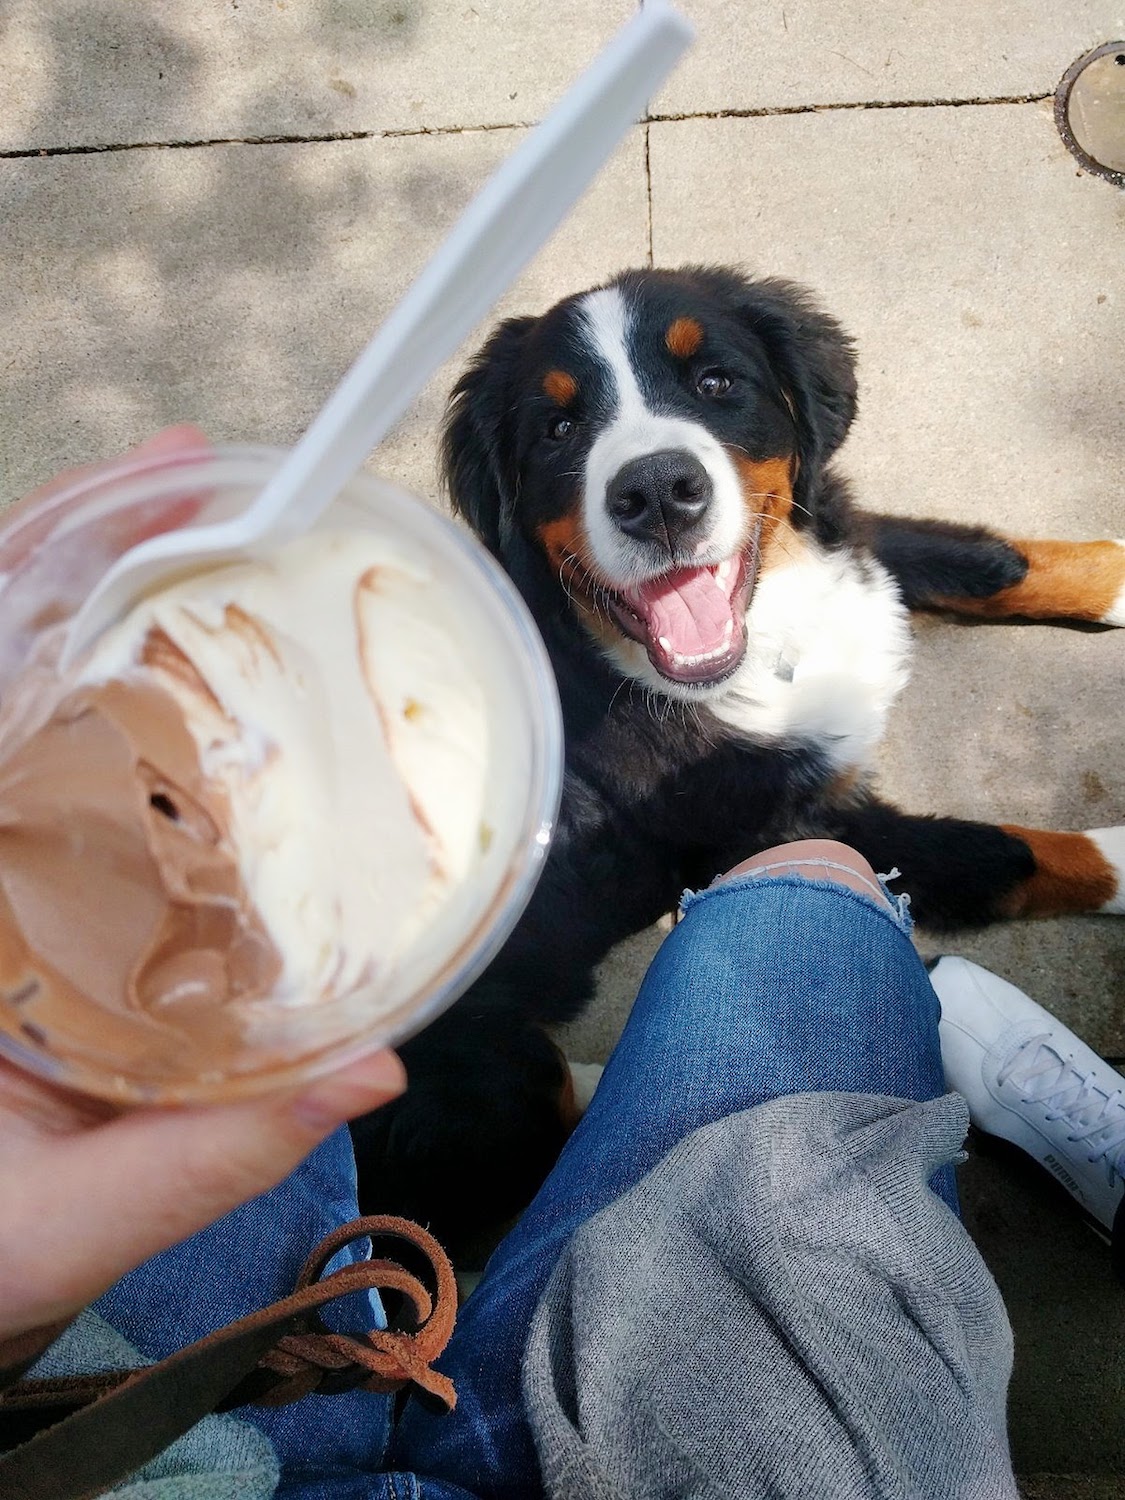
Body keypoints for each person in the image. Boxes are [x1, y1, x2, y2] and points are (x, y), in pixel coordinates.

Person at [1, 450, 1123, 1497]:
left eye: (716, 382)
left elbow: (838, 533)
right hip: (676, 1423)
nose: (643, 463)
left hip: (156, 1411)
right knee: (813, 889)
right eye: (562, 429)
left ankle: (514, 1238)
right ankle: (576, 1150)